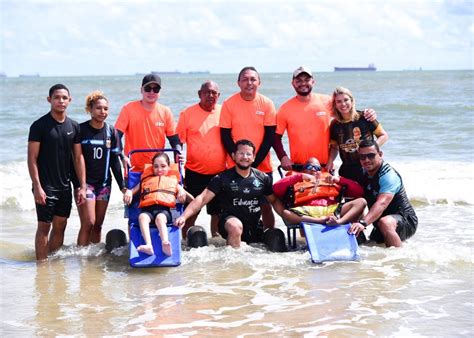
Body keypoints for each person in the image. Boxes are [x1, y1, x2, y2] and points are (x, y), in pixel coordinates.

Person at [175, 139, 286, 249]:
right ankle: (234, 263)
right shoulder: (222, 178)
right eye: (241, 153)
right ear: (233, 156)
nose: (245, 157)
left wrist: (287, 215)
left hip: (253, 227)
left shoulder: (262, 178)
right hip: (229, 224)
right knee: (235, 226)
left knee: (277, 234)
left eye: (248, 154)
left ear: (254, 157)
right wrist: (183, 216)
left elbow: (274, 201)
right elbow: (202, 199)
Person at [274, 66, 377, 171]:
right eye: (299, 80)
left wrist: (368, 113)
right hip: (298, 167)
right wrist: (283, 157)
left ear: (313, 82)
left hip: (325, 167)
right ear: (293, 83)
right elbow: (276, 137)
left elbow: (347, 112)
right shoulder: (285, 108)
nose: (303, 83)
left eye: (307, 80)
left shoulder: (327, 102)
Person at [27, 84, 87, 260]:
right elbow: (32, 158)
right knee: (44, 227)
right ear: (49, 100)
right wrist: (37, 186)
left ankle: (52, 261)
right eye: (56, 97)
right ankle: (42, 267)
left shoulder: (74, 126)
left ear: (69, 100)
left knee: (61, 224)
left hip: (64, 186)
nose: (61, 101)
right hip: (45, 185)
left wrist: (82, 186)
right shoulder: (39, 126)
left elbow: (78, 158)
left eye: (64, 98)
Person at [219, 66, 277, 229]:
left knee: (265, 205)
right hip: (235, 165)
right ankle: (232, 236)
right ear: (238, 83)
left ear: (259, 82)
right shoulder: (229, 103)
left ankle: (268, 233)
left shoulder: (267, 103)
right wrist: (238, 159)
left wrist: (254, 162)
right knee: (233, 204)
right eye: (245, 79)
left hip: (262, 165)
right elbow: (225, 135)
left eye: (253, 79)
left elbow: (270, 136)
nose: (249, 83)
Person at [74, 91, 125, 246]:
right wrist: (78, 185)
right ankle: (81, 256)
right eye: (98, 108)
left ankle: (93, 260)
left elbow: (115, 162)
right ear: (90, 109)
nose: (103, 112)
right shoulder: (80, 130)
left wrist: (122, 186)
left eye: (106, 109)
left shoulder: (111, 132)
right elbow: (75, 159)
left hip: (104, 185)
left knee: (98, 225)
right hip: (85, 184)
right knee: (89, 222)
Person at [176, 80, 226, 238]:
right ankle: (184, 243)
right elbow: (178, 143)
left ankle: (215, 246)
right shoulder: (187, 113)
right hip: (194, 172)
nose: (210, 95)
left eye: (214, 93)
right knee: (190, 213)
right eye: (206, 92)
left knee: (217, 214)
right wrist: (177, 162)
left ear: (218, 96)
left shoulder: (224, 112)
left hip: (220, 173)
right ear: (199, 94)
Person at [349, 140, 418, 247]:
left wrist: (363, 223)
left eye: (371, 156)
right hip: (379, 224)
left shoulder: (388, 175)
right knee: (371, 244)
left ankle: (399, 259)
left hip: (405, 221)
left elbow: (382, 204)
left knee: (385, 222)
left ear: (380, 154)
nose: (366, 160)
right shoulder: (362, 173)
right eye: (362, 157)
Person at [123, 152, 193, 256]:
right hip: (147, 211)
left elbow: (192, 200)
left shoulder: (173, 181)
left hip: (164, 212)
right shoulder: (145, 180)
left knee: (160, 218)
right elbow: (132, 190)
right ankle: (148, 245)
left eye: (163, 166)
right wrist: (128, 192)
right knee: (142, 217)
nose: (159, 169)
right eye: (156, 166)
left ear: (169, 167)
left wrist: (182, 191)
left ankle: (165, 242)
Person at [114, 73, 181, 172]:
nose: (151, 92)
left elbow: (175, 140)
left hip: (157, 170)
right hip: (133, 169)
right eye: (148, 88)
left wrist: (178, 154)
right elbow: (116, 136)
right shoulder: (128, 109)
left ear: (159, 92)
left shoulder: (166, 111)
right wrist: (122, 157)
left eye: (156, 89)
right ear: (141, 90)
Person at [273, 157, 366, 227]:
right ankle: (320, 221)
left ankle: (339, 222)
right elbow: (275, 189)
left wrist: (339, 180)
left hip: (331, 209)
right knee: (286, 213)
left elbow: (359, 191)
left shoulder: (329, 178)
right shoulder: (296, 179)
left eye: (317, 168)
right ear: (303, 170)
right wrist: (299, 177)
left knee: (361, 201)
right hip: (307, 211)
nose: (313, 169)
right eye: (309, 167)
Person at [327, 86, 389, 182]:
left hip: (368, 168)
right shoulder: (335, 124)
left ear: (352, 101)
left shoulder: (365, 117)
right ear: (335, 104)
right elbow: (334, 147)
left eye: (346, 100)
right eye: (338, 101)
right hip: (347, 169)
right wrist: (330, 162)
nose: (343, 104)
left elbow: (383, 135)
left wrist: (371, 149)